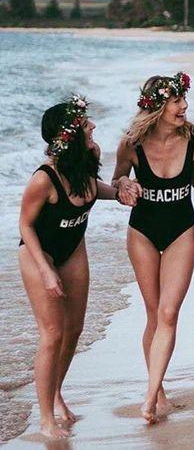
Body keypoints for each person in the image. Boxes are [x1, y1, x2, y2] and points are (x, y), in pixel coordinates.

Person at [112, 72, 194, 423]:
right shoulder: (131, 143)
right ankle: (159, 389)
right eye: (176, 101)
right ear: (156, 106)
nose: (184, 106)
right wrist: (124, 187)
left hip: (182, 230)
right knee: (154, 314)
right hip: (142, 233)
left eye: (184, 99)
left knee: (169, 313)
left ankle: (150, 398)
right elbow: (117, 181)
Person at [19, 96, 135, 438]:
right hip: (39, 254)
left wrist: (123, 190)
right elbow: (25, 226)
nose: (93, 126)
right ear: (67, 135)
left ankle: (56, 393)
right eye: (86, 124)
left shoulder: (86, 162)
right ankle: (46, 419)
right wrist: (45, 270)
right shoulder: (44, 179)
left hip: (73, 250)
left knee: (74, 330)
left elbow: (96, 190)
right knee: (52, 334)